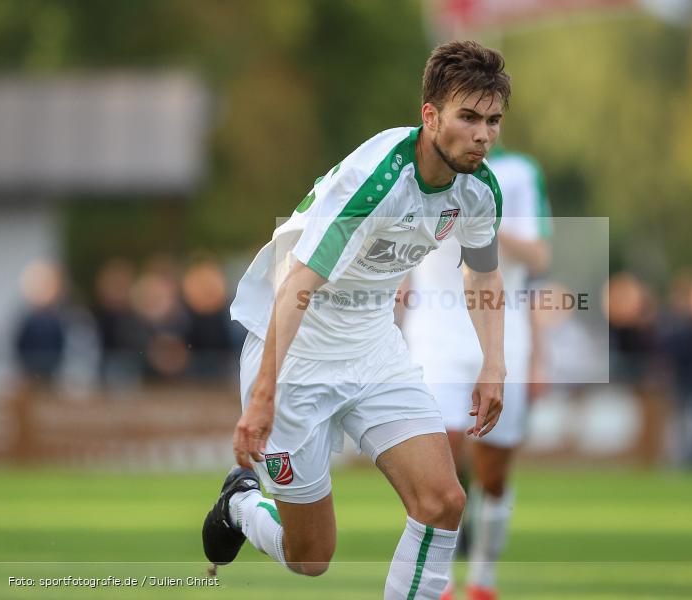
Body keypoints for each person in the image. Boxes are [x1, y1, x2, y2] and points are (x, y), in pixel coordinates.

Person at [201, 40, 510, 600]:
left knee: (444, 502)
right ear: (430, 115)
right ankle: (242, 505)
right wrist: (263, 395)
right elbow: (298, 284)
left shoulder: (480, 190)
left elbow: (484, 275)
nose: (482, 135)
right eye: (468, 117)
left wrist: (495, 361)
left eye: (492, 120)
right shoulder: (377, 180)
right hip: (295, 358)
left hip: (374, 352)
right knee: (311, 557)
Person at [402, 146, 552, 600]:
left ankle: (483, 578)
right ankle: (440, 582)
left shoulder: (520, 172)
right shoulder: (411, 163)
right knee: (438, 457)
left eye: (490, 118)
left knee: (493, 471)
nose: (480, 130)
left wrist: (486, 215)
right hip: (435, 332)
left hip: (501, 330)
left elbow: (539, 256)